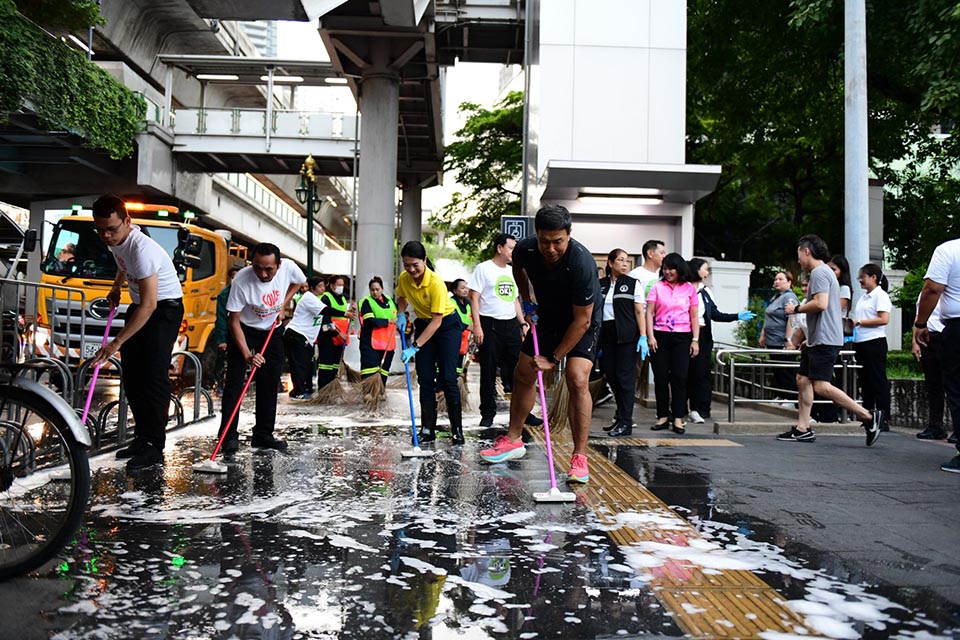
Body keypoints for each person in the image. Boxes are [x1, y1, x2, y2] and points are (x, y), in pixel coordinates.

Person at [479, 204, 602, 484]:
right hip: (548, 314)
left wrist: (554, 359)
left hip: (581, 320)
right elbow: (518, 269)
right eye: (545, 240)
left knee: (576, 378)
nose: (551, 248)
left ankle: (580, 457)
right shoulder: (525, 249)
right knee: (522, 373)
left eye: (558, 241)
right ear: (537, 235)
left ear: (568, 235)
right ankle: (513, 440)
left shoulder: (581, 263)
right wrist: (526, 299)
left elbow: (582, 321)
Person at [89, 195, 184, 470]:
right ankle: (142, 438)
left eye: (112, 229)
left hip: (163, 311)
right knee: (132, 377)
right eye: (101, 230)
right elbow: (122, 264)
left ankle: (155, 445)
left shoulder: (142, 250)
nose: (106, 236)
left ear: (127, 221)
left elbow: (151, 304)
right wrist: (117, 286)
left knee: (153, 378)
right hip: (139, 306)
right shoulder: (117, 242)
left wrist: (115, 343)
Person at [780, 235, 883, 444]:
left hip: (825, 339)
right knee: (802, 379)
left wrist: (796, 308)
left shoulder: (819, 272)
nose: (798, 258)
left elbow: (821, 303)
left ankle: (869, 417)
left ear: (806, 251)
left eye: (799, 253)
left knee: (820, 386)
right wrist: (810, 338)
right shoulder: (824, 272)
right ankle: (803, 428)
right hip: (819, 338)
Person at [219, 243, 305, 452]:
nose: (263, 274)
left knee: (269, 381)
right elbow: (233, 321)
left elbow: (300, 282)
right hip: (244, 330)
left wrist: (284, 303)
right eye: (258, 267)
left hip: (271, 330)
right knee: (234, 383)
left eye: (269, 269)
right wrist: (248, 355)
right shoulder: (241, 280)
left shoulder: (289, 267)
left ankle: (263, 434)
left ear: (279, 265)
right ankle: (228, 436)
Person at [396, 241, 465, 445]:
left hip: (446, 326)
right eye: (407, 265)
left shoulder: (436, 283)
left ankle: (457, 430)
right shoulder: (404, 278)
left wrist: (414, 347)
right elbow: (401, 297)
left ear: (425, 260)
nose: (411, 269)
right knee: (425, 378)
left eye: (415, 264)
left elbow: (437, 322)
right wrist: (401, 313)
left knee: (448, 377)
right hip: (423, 324)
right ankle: (427, 428)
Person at [468, 234, 539, 428]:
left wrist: (523, 323)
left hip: (510, 325)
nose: (513, 252)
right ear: (500, 248)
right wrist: (477, 326)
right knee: (489, 370)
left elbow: (515, 300)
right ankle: (488, 413)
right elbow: (474, 298)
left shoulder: (512, 271)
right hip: (489, 324)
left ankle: (525, 412)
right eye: (511, 248)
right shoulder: (483, 268)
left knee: (520, 370)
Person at [686, 258, 755, 423]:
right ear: (696, 269)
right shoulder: (683, 288)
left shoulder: (706, 291)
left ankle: (701, 409)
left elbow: (716, 314)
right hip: (685, 335)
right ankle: (681, 408)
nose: (707, 272)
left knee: (702, 374)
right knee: (685, 373)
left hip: (704, 337)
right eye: (705, 269)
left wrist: (737, 316)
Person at [912, 238, 960, 473]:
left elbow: (932, 289)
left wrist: (921, 323)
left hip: (957, 328)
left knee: (957, 387)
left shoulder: (948, 250)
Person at [646, 253, 699, 434]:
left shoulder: (689, 289)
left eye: (672, 268)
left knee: (680, 378)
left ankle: (677, 417)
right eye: (665, 268)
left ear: (680, 269)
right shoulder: (657, 287)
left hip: (683, 337)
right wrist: (650, 336)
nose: (668, 272)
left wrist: (695, 340)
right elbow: (649, 313)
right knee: (661, 378)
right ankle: (662, 416)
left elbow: (694, 316)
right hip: (660, 336)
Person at [598, 249, 647, 437]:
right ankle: (620, 416)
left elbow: (639, 312)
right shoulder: (601, 285)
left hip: (627, 337)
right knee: (611, 376)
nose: (625, 264)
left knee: (625, 379)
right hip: (607, 336)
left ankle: (626, 422)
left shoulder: (633, 284)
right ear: (610, 263)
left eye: (627, 261)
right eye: (620, 260)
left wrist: (642, 336)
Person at [852, 264, 892, 430]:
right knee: (865, 381)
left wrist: (860, 322)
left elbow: (884, 319)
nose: (860, 280)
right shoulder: (864, 297)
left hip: (874, 341)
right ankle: (868, 416)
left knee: (877, 380)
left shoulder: (880, 296)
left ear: (873, 277)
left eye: (863, 276)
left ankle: (883, 417)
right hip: (861, 342)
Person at [283, 276, 326, 399]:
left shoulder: (317, 299)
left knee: (305, 364)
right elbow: (325, 310)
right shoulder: (308, 298)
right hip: (297, 335)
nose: (323, 288)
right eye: (320, 286)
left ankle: (303, 389)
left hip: (306, 337)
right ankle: (298, 392)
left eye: (324, 286)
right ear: (312, 288)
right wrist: (344, 313)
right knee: (299, 365)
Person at [759, 270, 799, 402]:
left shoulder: (789, 297)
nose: (777, 282)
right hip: (772, 340)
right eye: (775, 279)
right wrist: (763, 335)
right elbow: (768, 317)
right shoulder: (776, 297)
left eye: (781, 279)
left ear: (789, 282)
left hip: (782, 341)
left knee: (786, 370)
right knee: (778, 370)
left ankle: (791, 398)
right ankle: (782, 395)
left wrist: (788, 339)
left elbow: (792, 319)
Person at [913, 296, 947, 440]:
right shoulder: (925, 293)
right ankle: (935, 425)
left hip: (947, 337)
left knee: (953, 386)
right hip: (928, 337)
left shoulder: (953, 290)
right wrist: (914, 342)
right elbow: (917, 317)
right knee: (933, 385)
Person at [316, 274, 355, 390]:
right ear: (332, 286)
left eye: (342, 285)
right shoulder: (326, 298)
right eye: (339, 285)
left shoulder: (342, 298)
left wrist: (350, 311)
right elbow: (325, 322)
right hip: (328, 337)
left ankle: (333, 389)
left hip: (339, 339)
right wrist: (338, 333)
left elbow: (343, 317)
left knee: (334, 366)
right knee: (326, 366)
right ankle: (324, 390)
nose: (341, 287)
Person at [358, 276, 398, 387]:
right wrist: (389, 320)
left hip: (388, 342)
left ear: (382, 289)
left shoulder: (390, 301)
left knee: (384, 369)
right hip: (370, 342)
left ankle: (381, 390)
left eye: (377, 289)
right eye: (372, 290)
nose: (375, 292)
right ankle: (368, 392)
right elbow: (370, 321)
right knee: (369, 369)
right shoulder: (366, 302)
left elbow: (398, 315)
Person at [212, 266, 241, 394]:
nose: (235, 280)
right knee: (223, 359)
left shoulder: (248, 291)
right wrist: (222, 339)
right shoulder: (224, 295)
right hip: (230, 331)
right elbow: (222, 318)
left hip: (245, 330)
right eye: (233, 277)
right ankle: (220, 384)